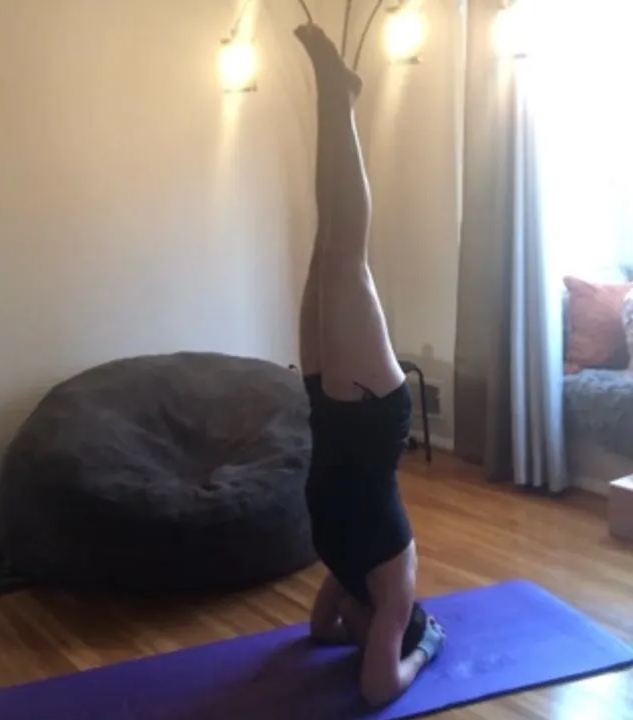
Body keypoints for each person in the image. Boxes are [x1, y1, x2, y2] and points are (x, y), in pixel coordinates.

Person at [293, 23, 446, 707]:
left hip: (329, 408)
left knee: (325, 239)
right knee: (346, 254)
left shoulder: (350, 584)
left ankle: (335, 97)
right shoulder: (393, 589)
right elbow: (379, 689)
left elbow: (317, 632)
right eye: (372, 634)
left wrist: (357, 628)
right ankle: (340, 100)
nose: (351, 632)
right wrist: (423, 648)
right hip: (369, 415)